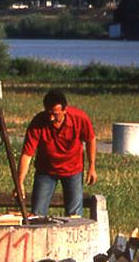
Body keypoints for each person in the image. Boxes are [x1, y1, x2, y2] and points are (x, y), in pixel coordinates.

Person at [15, 89, 97, 217]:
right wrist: (19, 181)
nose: (51, 118)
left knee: (74, 215)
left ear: (65, 110)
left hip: (73, 170)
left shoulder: (79, 118)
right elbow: (27, 154)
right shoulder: (38, 122)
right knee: (37, 213)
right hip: (46, 170)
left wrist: (92, 166)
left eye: (56, 114)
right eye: (49, 113)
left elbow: (90, 139)